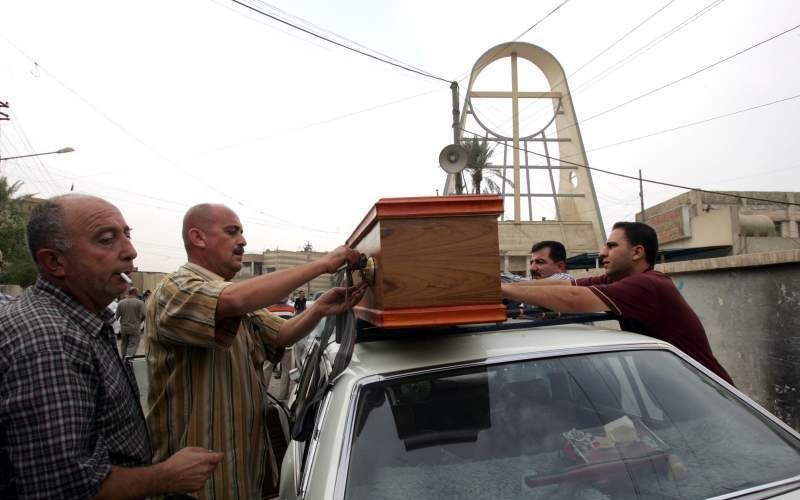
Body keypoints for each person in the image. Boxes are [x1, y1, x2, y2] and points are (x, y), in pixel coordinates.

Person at [0, 194, 222, 500]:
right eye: (107, 240)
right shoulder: (50, 340)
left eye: (126, 235)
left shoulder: (79, 320)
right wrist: (167, 477)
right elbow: (65, 489)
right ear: (54, 261)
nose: (130, 252)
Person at [144, 203, 366, 500]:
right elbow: (233, 302)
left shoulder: (234, 296)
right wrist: (322, 264)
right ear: (198, 238)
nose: (243, 241)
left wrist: (322, 308)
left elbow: (282, 334)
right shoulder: (175, 287)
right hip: (194, 488)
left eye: (242, 232)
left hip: (239, 477)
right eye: (232, 232)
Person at [502, 221, 733, 384]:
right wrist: (502, 287)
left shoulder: (647, 285)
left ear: (637, 252)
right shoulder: (618, 279)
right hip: (683, 388)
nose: (603, 253)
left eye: (611, 246)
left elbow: (573, 299)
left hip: (708, 393)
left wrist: (503, 289)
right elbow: (566, 286)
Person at [117, 286, 145, 357]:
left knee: (124, 344)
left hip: (124, 327)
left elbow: (117, 316)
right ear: (135, 293)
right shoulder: (140, 303)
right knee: (133, 344)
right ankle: (128, 360)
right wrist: (140, 321)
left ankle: (123, 359)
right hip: (134, 327)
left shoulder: (121, 302)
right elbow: (144, 314)